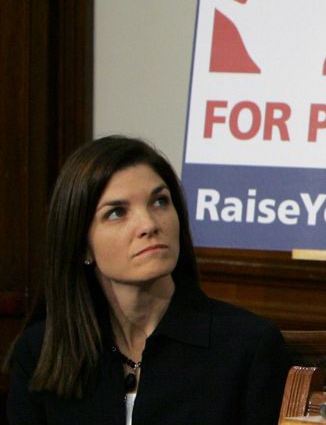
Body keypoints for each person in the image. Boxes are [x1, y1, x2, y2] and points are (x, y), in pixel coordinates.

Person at [5, 136, 289, 425]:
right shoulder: (40, 352)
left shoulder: (248, 347)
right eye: (117, 213)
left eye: (159, 202)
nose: (150, 225)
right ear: (82, 245)